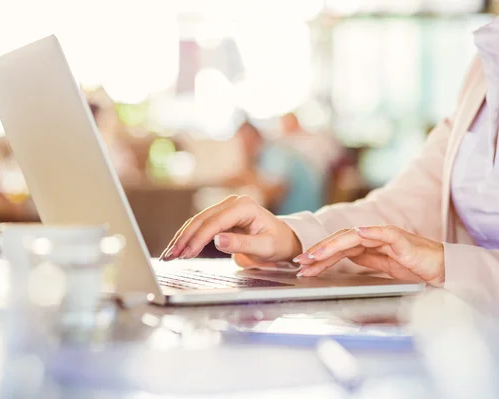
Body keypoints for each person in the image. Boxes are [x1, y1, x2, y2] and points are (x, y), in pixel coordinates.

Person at [160, 20, 499, 312]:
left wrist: (447, 264)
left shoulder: (282, 155)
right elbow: (401, 208)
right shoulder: (482, 68)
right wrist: (293, 237)